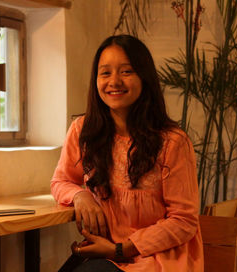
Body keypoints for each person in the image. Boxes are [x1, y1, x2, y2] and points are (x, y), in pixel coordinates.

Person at [51, 34, 204, 272]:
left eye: (126, 71)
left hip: (157, 259)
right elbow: (61, 180)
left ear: (145, 78)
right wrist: (81, 196)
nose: (114, 81)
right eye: (105, 73)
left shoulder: (173, 142)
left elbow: (184, 221)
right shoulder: (83, 130)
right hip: (105, 255)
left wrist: (121, 249)